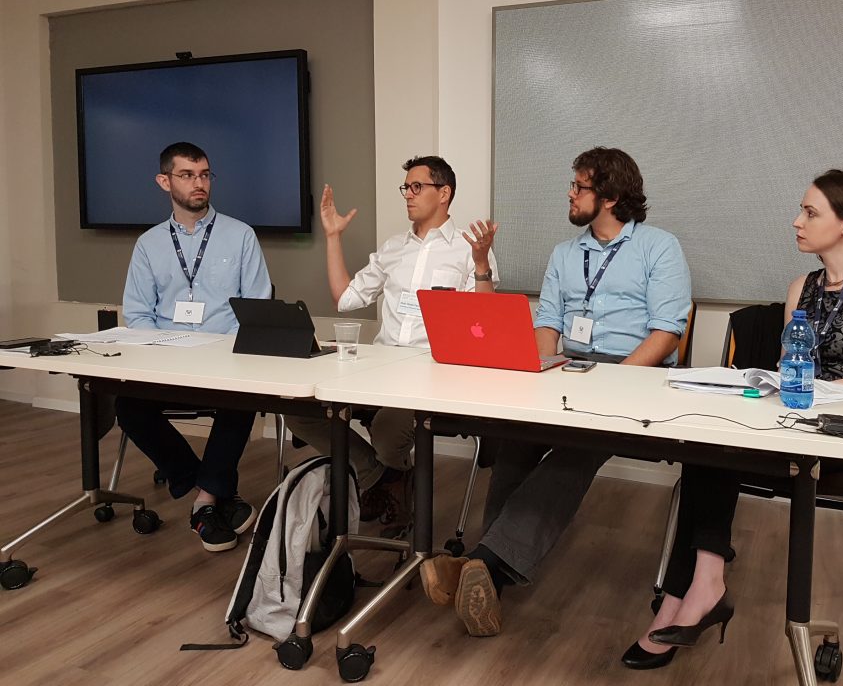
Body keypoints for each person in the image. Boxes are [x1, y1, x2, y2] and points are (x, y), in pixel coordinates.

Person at [621, 168, 843, 669]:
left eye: (809, 212)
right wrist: (773, 385)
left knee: (716, 452)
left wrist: (802, 388)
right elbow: (789, 368)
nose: (796, 221)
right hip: (787, 423)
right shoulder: (801, 286)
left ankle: (691, 593)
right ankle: (699, 585)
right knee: (705, 440)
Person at [420, 146, 692, 637]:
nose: (569, 194)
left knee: (577, 448)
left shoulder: (658, 246)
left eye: (579, 186)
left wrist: (616, 381)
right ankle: (489, 570)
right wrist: (538, 370)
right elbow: (547, 324)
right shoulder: (566, 254)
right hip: (572, 367)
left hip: (634, 374)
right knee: (518, 436)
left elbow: (666, 333)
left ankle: (483, 565)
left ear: (609, 196)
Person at [284, 155, 498, 536]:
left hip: (432, 372)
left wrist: (481, 265)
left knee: (386, 430)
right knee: (300, 410)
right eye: (406, 187)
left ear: (444, 193)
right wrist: (333, 237)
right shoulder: (393, 247)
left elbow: (480, 325)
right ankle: (382, 478)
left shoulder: (469, 249)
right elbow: (345, 298)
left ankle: (386, 483)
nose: (408, 195)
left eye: (418, 187)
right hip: (379, 365)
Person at [116, 142, 273, 553]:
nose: (198, 183)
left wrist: (227, 351)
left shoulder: (240, 235)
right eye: (187, 175)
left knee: (241, 398)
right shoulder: (149, 244)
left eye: (204, 174)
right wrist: (162, 351)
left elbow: (256, 308)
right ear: (164, 181)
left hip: (225, 354)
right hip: (167, 355)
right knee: (127, 406)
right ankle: (210, 487)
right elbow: (137, 314)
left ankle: (204, 502)